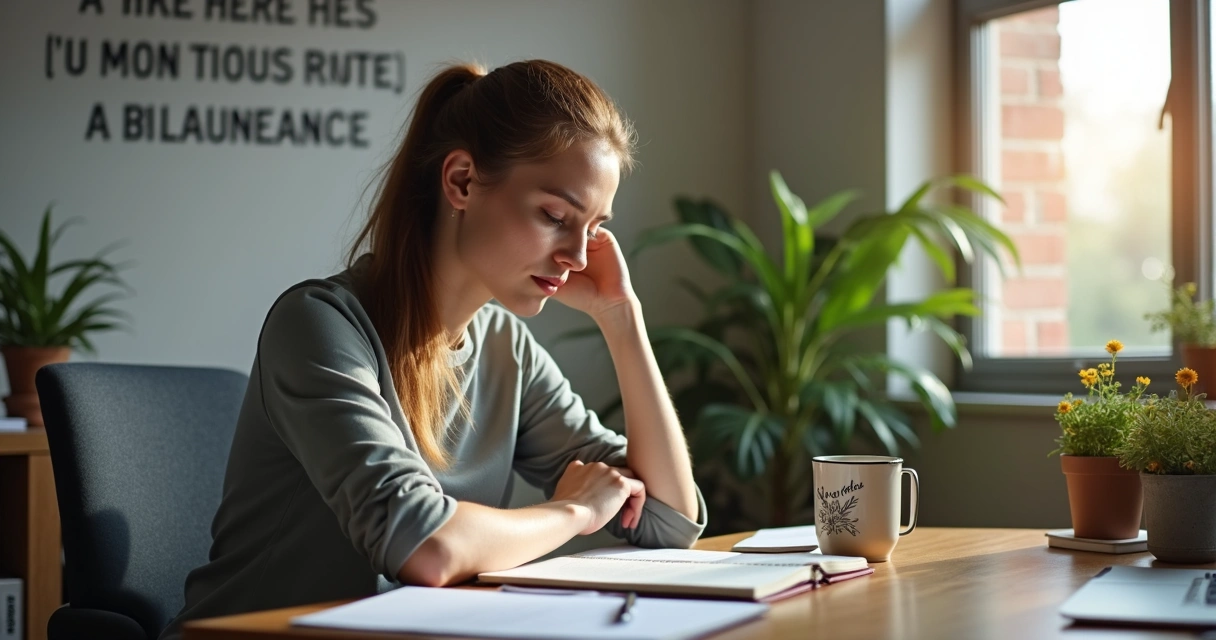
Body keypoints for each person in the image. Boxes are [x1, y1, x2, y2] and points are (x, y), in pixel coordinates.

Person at [157, 59, 705, 640]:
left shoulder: (506, 350)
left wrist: (622, 318)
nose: (576, 254)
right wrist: (573, 512)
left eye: (593, 229)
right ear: (462, 181)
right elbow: (422, 545)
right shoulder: (318, 326)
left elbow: (669, 520)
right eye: (554, 216)